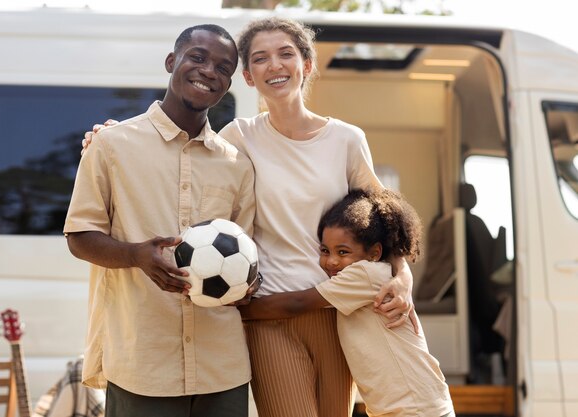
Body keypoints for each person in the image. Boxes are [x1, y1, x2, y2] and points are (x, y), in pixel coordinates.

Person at [81, 17, 417, 417]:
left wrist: (402, 277)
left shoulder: (346, 139)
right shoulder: (238, 138)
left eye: (285, 54)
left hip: (336, 313)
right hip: (269, 314)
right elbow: (180, 152)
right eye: (260, 58)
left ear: (307, 65)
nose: (274, 65)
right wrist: (111, 135)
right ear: (248, 76)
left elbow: (385, 219)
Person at [63, 24, 258, 417]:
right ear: (172, 61)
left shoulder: (236, 165)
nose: (209, 71)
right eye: (198, 57)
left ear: (228, 84)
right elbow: (79, 236)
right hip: (143, 365)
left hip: (223, 367)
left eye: (223, 67)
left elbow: (248, 253)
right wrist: (136, 255)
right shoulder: (110, 145)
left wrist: (247, 284)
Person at [239, 188, 455, 417]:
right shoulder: (365, 276)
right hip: (405, 406)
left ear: (374, 253)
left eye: (343, 252)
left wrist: (236, 307)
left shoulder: (366, 275)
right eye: (324, 250)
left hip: (415, 408)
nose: (331, 261)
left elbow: (297, 302)